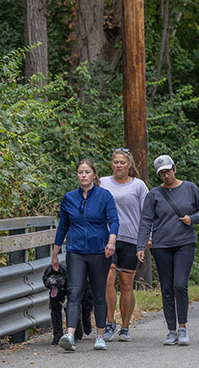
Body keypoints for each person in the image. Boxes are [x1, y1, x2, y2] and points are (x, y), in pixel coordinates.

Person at [136, 155, 199, 346]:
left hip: (184, 243)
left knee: (180, 285)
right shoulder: (154, 194)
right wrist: (141, 245)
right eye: (162, 173)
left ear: (174, 169)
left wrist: (192, 219)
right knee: (167, 288)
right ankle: (171, 330)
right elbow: (146, 221)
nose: (166, 175)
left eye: (168, 171)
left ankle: (183, 327)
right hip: (161, 245)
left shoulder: (190, 188)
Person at [52, 159, 119, 352]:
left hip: (100, 251)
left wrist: (111, 242)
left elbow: (113, 221)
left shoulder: (104, 196)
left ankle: (100, 336)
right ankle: (70, 335)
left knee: (99, 293)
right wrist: (55, 253)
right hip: (76, 251)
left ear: (94, 175)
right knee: (74, 292)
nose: (83, 175)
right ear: (77, 175)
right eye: (80, 172)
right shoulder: (69, 198)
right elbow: (63, 226)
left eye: (87, 172)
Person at [100, 148, 149, 342]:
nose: (118, 165)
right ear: (111, 164)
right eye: (115, 162)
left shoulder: (138, 186)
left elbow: (147, 213)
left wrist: (147, 238)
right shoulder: (102, 183)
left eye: (122, 162)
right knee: (107, 280)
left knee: (126, 283)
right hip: (108, 239)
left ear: (129, 165)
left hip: (131, 239)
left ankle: (126, 326)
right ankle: (109, 322)